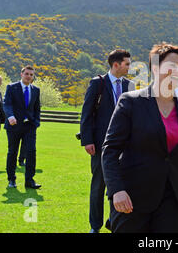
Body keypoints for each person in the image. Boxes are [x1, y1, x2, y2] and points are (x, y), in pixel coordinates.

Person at [102, 43, 178, 233]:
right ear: (155, 68)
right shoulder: (131, 102)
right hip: (131, 197)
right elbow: (110, 151)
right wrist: (116, 190)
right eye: (172, 66)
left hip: (173, 200)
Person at [80, 49, 134, 233]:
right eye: (127, 63)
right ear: (116, 64)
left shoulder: (130, 85)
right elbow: (86, 113)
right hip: (101, 145)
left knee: (122, 185)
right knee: (98, 186)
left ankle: (113, 221)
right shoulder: (98, 83)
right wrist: (87, 140)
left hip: (126, 147)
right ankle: (95, 226)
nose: (129, 67)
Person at [4, 65, 41, 189]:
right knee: (12, 152)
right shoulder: (11, 87)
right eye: (27, 74)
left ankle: (29, 180)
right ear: (21, 74)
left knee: (31, 152)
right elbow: (7, 104)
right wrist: (10, 116)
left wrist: (36, 122)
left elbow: (37, 108)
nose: (29, 76)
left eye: (31, 74)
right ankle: (11, 180)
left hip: (30, 126)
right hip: (14, 126)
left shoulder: (36, 90)